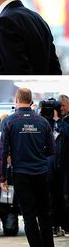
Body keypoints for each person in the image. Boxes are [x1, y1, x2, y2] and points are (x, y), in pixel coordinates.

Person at [0, 88, 60, 247]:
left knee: (30, 217)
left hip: (22, 174)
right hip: (41, 173)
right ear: (30, 100)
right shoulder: (43, 122)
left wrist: (2, 177)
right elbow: (51, 150)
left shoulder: (9, 122)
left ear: (17, 100)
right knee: (44, 215)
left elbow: (2, 152)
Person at [53, 94, 69, 236]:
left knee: (66, 196)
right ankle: (58, 225)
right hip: (55, 165)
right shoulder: (53, 122)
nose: (61, 108)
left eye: (63, 105)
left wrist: (59, 120)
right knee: (56, 196)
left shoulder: (64, 122)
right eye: (59, 106)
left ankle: (67, 225)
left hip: (66, 165)